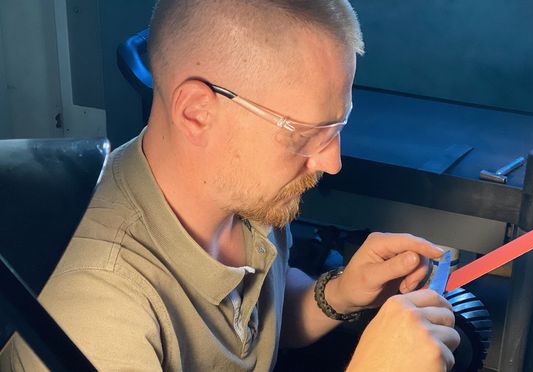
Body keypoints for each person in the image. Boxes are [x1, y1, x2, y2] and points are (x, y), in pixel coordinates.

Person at [0, 1, 460, 371]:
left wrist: (340, 294)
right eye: (305, 135)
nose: (331, 162)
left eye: (336, 127)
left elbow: (259, 322)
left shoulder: (247, 197)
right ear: (198, 112)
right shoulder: (98, 312)